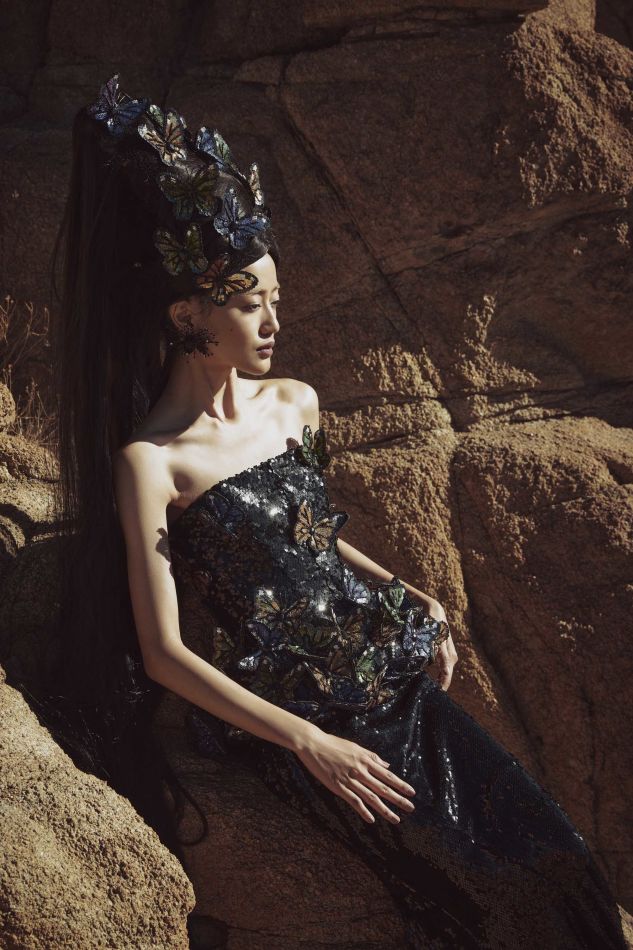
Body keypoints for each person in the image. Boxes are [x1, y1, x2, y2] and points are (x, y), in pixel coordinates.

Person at [49, 74, 627, 949]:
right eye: (250, 304)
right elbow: (163, 655)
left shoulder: (296, 403)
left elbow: (314, 536)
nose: (273, 321)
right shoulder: (151, 462)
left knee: (559, 859)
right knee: (481, 894)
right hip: (300, 714)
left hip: (384, 671)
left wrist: (411, 594)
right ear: (186, 313)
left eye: (275, 299)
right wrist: (305, 746)